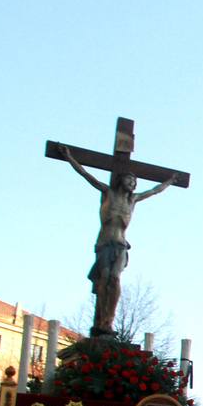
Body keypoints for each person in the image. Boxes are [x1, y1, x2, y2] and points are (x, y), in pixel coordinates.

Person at [58, 144, 177, 336]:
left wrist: (170, 180)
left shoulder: (133, 200)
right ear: (121, 180)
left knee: (114, 278)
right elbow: (86, 175)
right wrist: (70, 157)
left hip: (121, 245)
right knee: (105, 279)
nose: (133, 184)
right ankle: (101, 322)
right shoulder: (108, 193)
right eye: (130, 180)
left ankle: (108, 320)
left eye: (135, 182)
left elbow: (155, 190)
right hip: (105, 244)